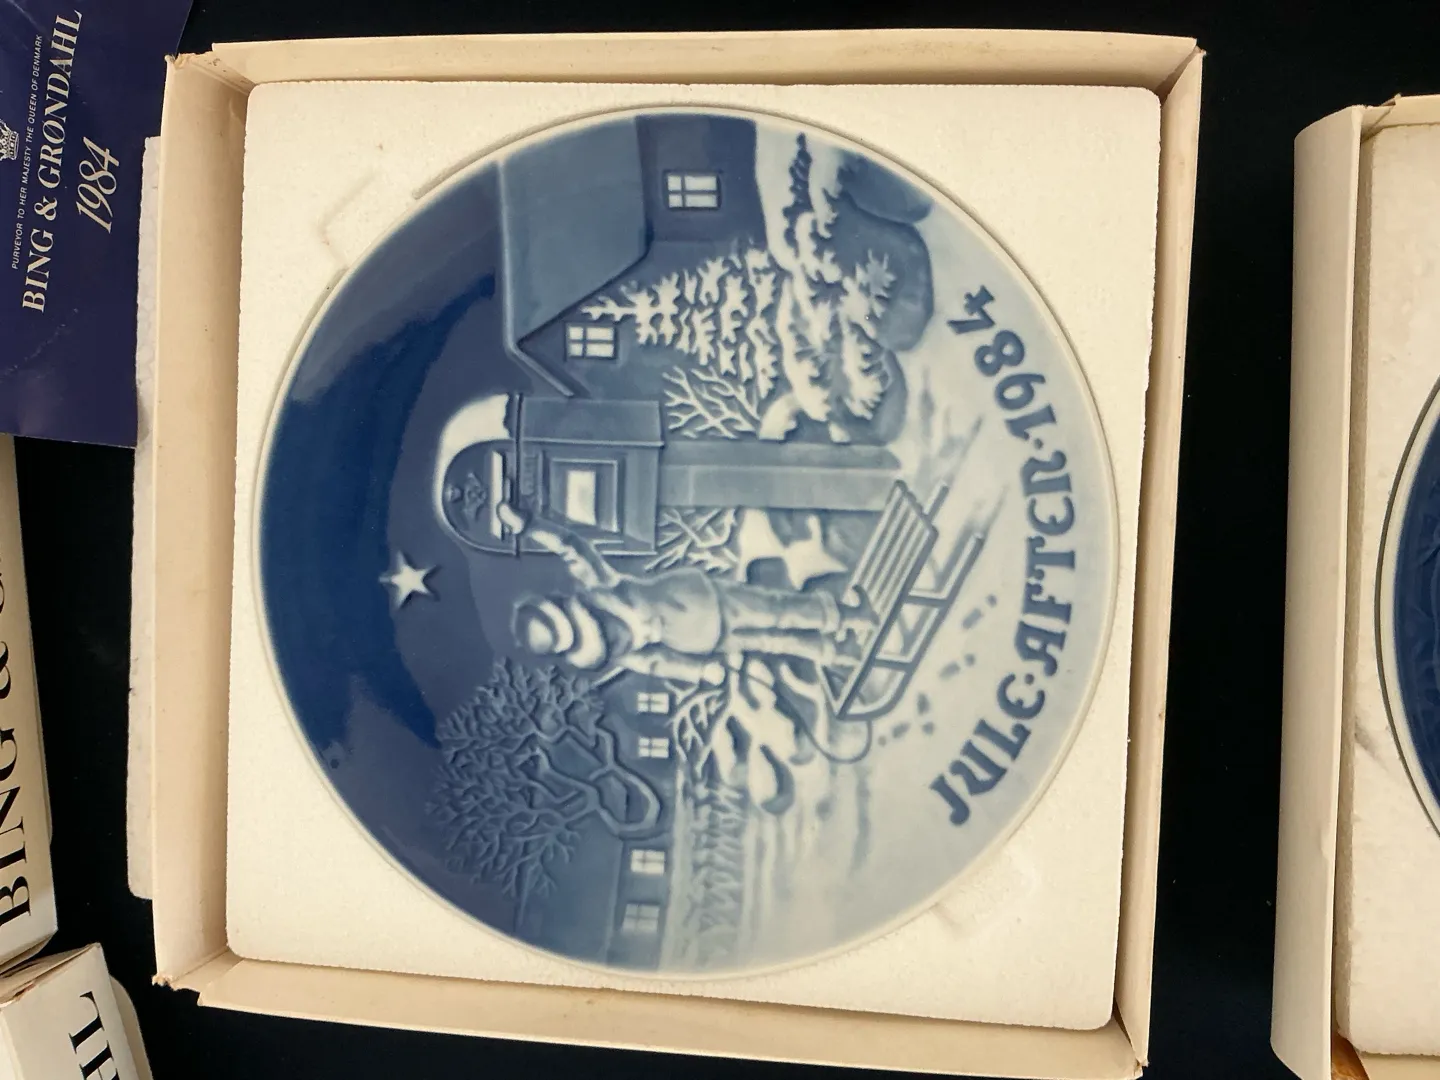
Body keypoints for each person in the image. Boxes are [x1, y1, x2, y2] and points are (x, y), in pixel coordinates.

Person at [498, 502, 875, 684]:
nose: (611, 638)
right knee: (771, 629)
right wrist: (700, 672)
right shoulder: (612, 631)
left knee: (772, 620)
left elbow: (572, 547)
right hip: (698, 625)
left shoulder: (602, 592)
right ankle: (836, 642)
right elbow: (658, 664)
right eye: (603, 642)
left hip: (700, 612)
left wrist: (530, 525)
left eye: (601, 633)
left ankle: (839, 631)